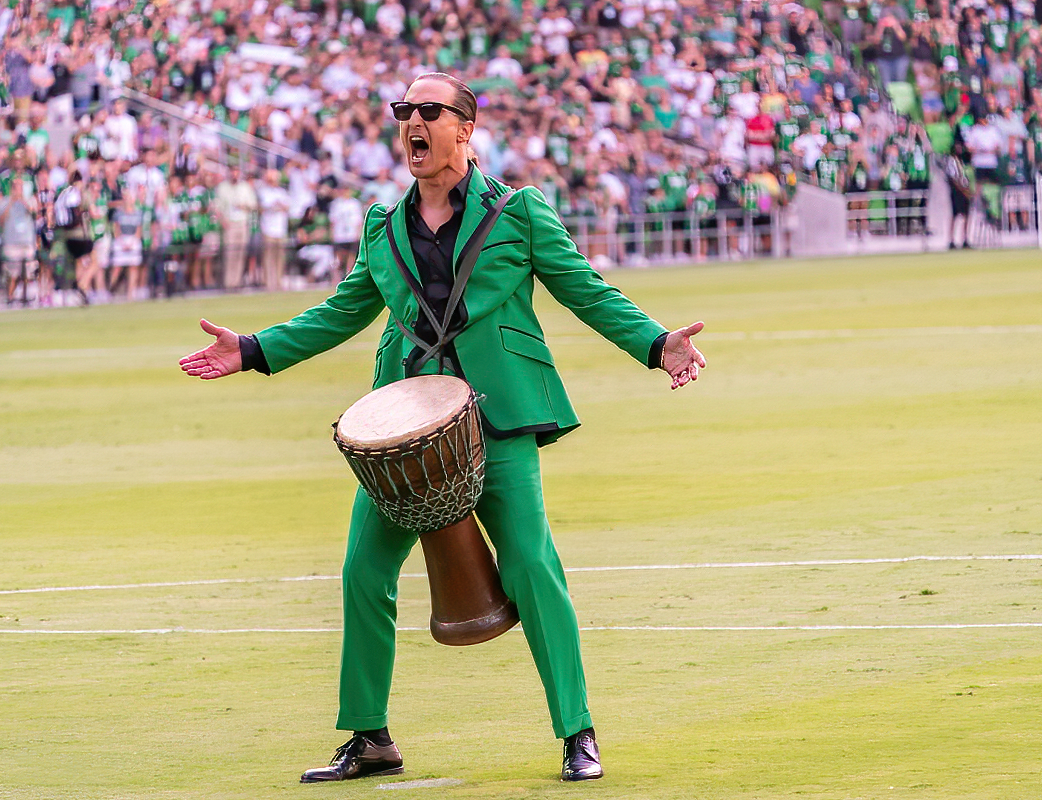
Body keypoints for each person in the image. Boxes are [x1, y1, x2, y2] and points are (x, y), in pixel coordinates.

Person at [178, 72, 705, 784]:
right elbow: (340, 313)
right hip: (406, 431)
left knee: (530, 566)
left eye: (428, 111)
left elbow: (584, 288)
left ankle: (577, 732)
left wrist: (657, 343)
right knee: (363, 572)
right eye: (402, 113)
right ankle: (369, 737)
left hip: (499, 418)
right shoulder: (381, 225)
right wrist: (252, 350)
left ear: (466, 128)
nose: (411, 124)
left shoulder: (519, 212)